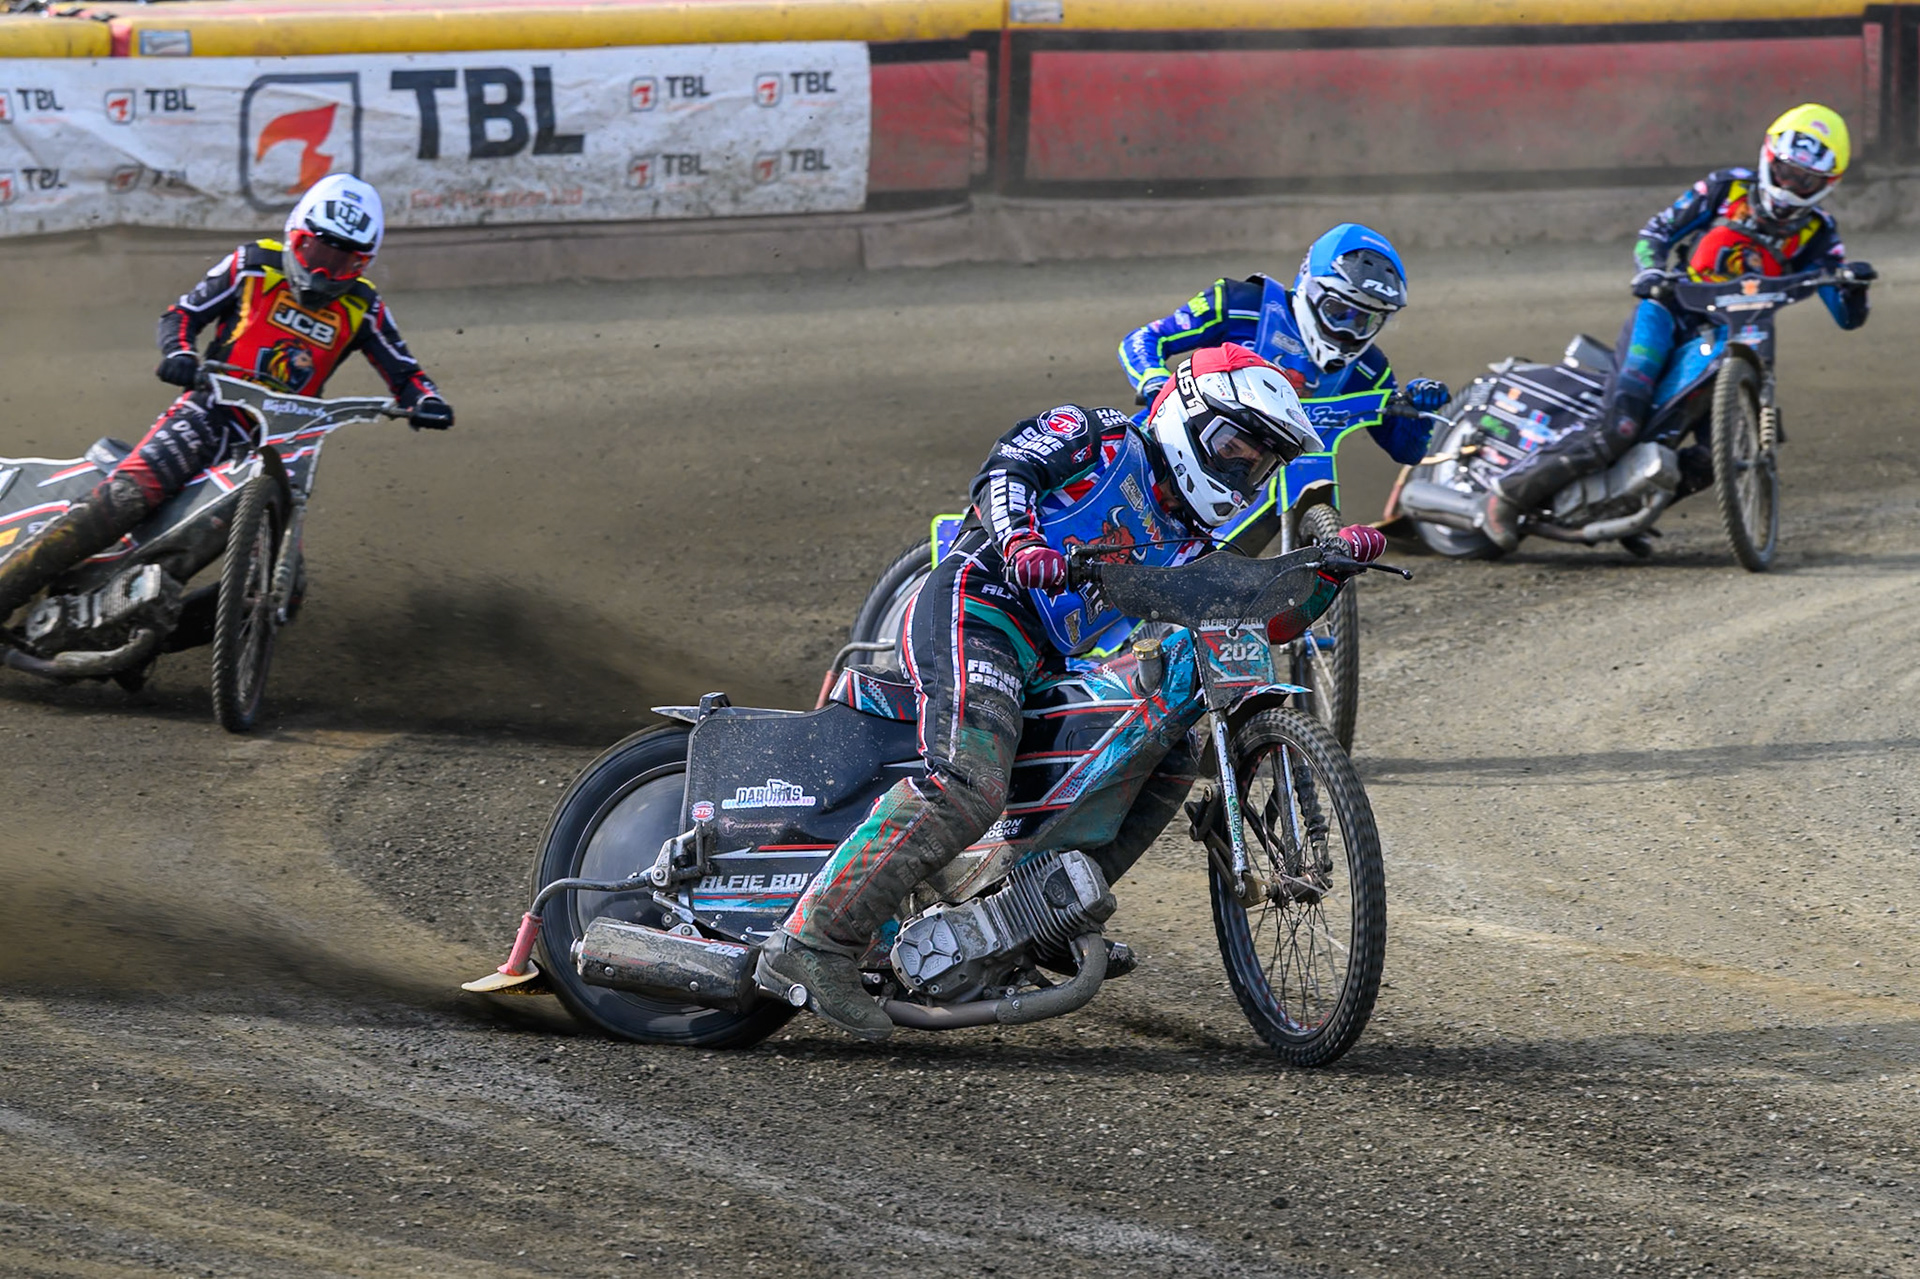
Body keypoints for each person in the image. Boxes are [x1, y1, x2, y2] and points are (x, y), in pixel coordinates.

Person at [756, 344, 1387, 1040]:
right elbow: (1006, 467)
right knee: (970, 780)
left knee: (1165, 754)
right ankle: (813, 941)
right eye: (1234, 447)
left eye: (1258, 462)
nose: (1242, 470)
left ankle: (1036, 919)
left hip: (1048, 656)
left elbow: (1256, 615)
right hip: (981, 605)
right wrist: (1023, 541)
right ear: (1186, 415)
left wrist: (1328, 571)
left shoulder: (1191, 537)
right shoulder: (1101, 437)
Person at [0, 173, 453, 625]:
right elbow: (182, 314)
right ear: (295, 234)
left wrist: (425, 401)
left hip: (280, 445)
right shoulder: (252, 264)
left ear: (363, 265)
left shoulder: (364, 306)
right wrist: (178, 352)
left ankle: (154, 641)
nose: (322, 272)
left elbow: (406, 372)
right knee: (125, 498)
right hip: (208, 413)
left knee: (283, 591)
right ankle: (7, 590)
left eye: (342, 263)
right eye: (316, 252)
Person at [1478, 104, 1874, 549]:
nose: (1790, 186)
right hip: (1668, 314)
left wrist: (1854, 287)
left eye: (1806, 180)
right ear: (1768, 157)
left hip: (1738, 336)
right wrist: (1650, 273)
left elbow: (1846, 315)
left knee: (1716, 456)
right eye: (1785, 171)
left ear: (1828, 183)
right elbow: (1657, 230)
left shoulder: (1820, 232)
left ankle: (1626, 507)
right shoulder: (1727, 187)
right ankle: (1507, 497)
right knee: (1621, 424)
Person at [1117, 223, 1450, 551]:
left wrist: (1420, 412)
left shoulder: (1369, 367)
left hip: (1253, 475)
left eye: (1366, 320)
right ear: (1311, 287)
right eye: (1339, 311)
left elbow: (1407, 451)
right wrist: (1154, 381)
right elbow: (1145, 339)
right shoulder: (1240, 303)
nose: (1350, 330)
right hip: (1172, 447)